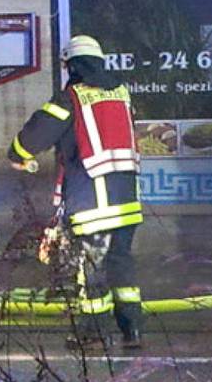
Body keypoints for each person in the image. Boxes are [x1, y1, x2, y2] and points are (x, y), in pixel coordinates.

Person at [10, 35, 145, 351]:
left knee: (91, 269)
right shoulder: (122, 94)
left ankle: (93, 333)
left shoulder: (70, 98)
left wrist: (16, 156)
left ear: (71, 65)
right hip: (127, 200)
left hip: (92, 202)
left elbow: (34, 136)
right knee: (121, 265)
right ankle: (132, 330)